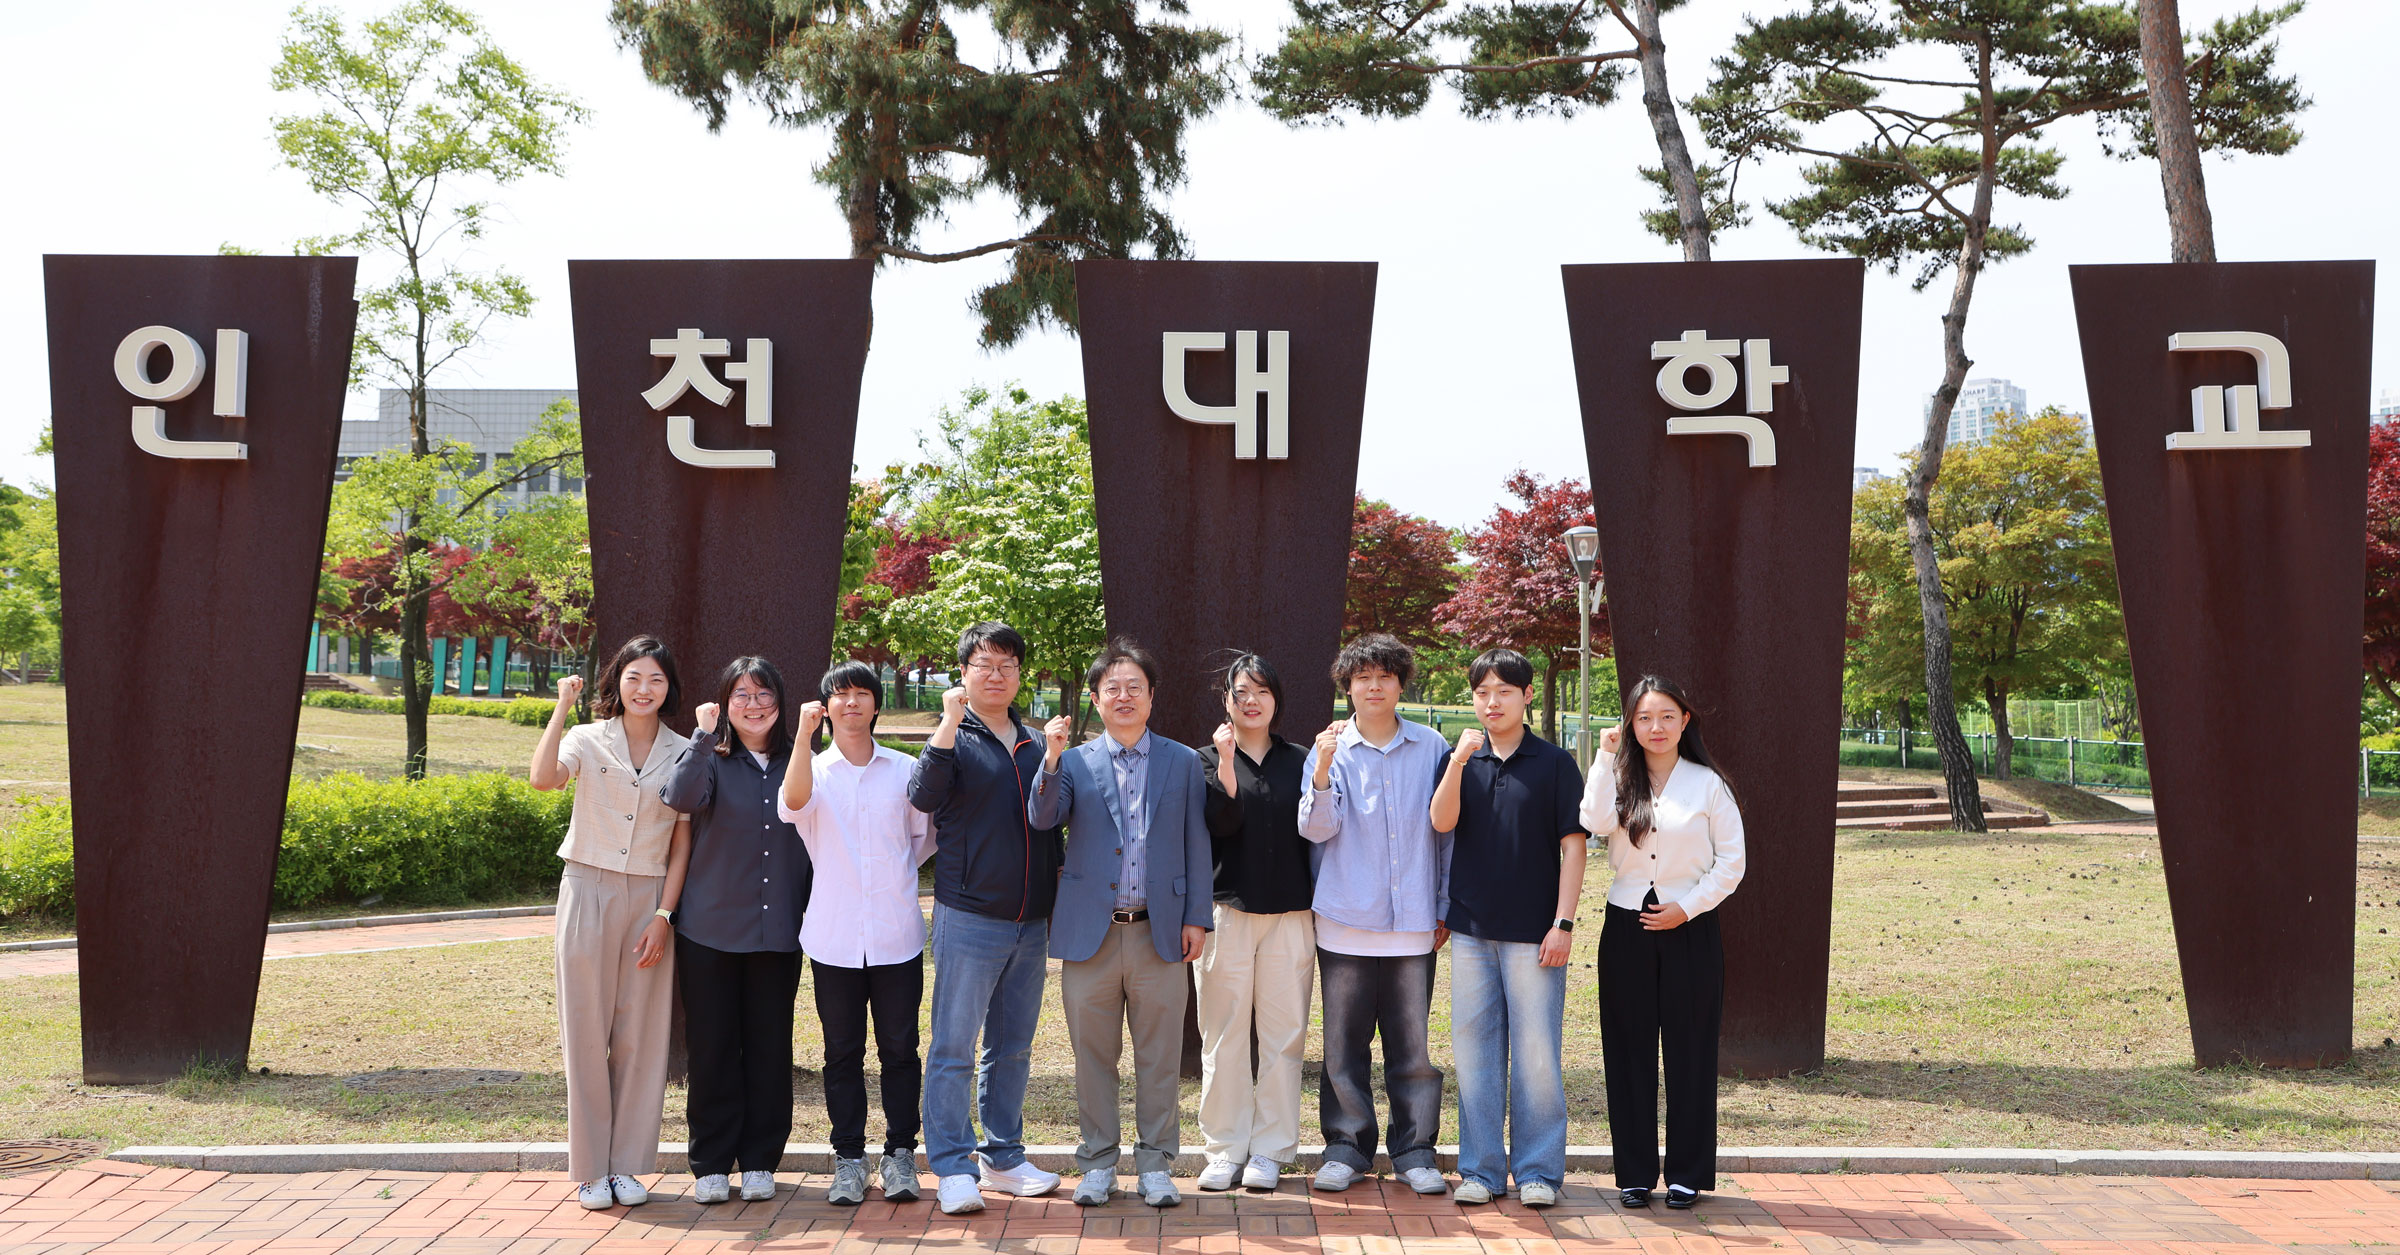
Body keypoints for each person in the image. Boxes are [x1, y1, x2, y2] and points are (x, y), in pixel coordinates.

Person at [1027, 638, 1212, 1209]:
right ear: (1096, 698)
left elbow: (1195, 842)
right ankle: (1098, 1162)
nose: (1124, 696)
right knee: (1093, 1057)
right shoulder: (1075, 761)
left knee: (1159, 1058)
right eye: (1113, 688)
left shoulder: (1182, 761)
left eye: (1135, 687)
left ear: (1152, 696)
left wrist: (1197, 918)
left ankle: (1156, 1164)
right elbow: (1042, 817)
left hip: (1160, 930)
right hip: (1092, 935)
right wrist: (1051, 758)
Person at [529, 635, 692, 1211]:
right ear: (616, 683)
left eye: (655, 679)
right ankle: (590, 1168)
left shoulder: (684, 748)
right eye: (633, 677)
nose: (644, 689)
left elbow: (681, 843)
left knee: (641, 1036)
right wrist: (561, 708)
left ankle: (628, 1167)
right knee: (586, 1029)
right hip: (587, 887)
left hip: (650, 898)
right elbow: (544, 779)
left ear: (668, 687)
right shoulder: (586, 738)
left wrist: (665, 916)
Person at [908, 622, 1065, 1215]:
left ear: (1021, 673)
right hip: (969, 913)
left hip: (1031, 920)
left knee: (1013, 1045)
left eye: (1007, 664)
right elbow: (923, 795)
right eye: (983, 663)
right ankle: (950, 1163)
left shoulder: (1033, 741)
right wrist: (947, 723)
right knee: (953, 1045)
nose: (995, 674)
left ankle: (1004, 1157)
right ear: (963, 674)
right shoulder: (953, 737)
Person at [1428, 648, 1586, 1209]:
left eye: (1503, 691)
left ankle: (1539, 1170)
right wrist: (1455, 763)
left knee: (1538, 1054)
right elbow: (1440, 821)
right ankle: (1481, 1170)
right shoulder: (1462, 759)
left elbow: (1574, 846)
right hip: (1470, 931)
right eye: (1481, 693)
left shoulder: (1555, 764)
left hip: (1535, 933)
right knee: (1475, 1053)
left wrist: (1563, 922)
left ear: (1525, 697)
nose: (1491, 702)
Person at [1579, 676, 1745, 1210]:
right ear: (1630, 723)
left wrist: (1686, 908)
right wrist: (1604, 760)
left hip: (1690, 929)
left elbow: (1733, 863)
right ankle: (1633, 1172)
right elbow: (1593, 821)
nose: (1656, 727)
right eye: (1645, 718)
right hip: (1626, 926)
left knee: (1691, 1050)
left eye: (1667, 716)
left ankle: (1687, 1173)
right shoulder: (1618, 777)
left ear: (1685, 721)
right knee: (1627, 1051)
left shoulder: (1707, 785)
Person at [1297, 632, 1453, 1196]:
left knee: (1412, 1049)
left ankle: (1414, 1150)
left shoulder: (1432, 746)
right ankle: (1346, 1147)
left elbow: (1447, 836)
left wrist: (1441, 907)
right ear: (1347, 687)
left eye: (1385, 676)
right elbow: (1316, 829)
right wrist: (1322, 768)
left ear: (1400, 684)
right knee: (1343, 1047)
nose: (1374, 686)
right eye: (1362, 678)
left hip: (1413, 923)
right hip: (1343, 919)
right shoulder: (1330, 750)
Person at [660, 657, 818, 1206]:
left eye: (764, 694)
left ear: (781, 700)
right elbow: (677, 798)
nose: (754, 705)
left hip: (780, 931)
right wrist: (702, 737)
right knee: (713, 1048)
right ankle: (709, 1160)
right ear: (725, 704)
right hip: (709, 930)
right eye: (742, 695)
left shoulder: (803, 763)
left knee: (771, 1047)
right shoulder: (710, 758)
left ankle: (759, 1159)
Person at [780, 662, 937, 1206]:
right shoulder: (812, 769)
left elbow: (920, 839)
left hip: (896, 935)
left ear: (876, 704)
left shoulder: (904, 770)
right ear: (826, 706)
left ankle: (900, 1156)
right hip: (833, 936)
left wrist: (889, 877)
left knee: (900, 1049)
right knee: (841, 1052)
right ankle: (849, 1158)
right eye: (840, 695)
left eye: (861, 694)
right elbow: (793, 804)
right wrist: (802, 734)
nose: (851, 703)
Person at [1192, 652, 1317, 1194]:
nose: (1251, 700)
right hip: (1227, 914)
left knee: (1283, 1037)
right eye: (1241, 692)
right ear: (1227, 701)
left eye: (1261, 691)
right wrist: (1225, 760)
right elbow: (1222, 821)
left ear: (1276, 700)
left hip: (1292, 914)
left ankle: (1269, 1150)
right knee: (1221, 1037)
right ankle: (1224, 1149)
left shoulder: (1302, 759)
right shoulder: (1203, 759)